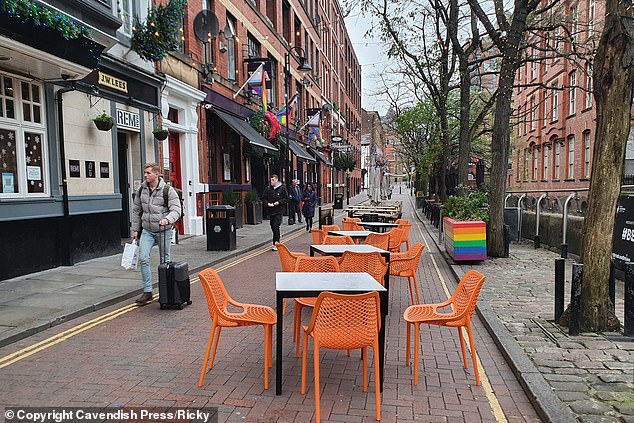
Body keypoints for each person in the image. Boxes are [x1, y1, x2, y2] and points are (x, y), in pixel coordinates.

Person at [131, 163, 182, 305]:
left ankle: (164, 291)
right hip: (147, 230)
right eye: (145, 173)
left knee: (164, 261)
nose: (146, 175)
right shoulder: (142, 190)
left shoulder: (167, 190)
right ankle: (147, 292)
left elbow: (176, 210)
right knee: (143, 258)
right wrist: (135, 230)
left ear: (156, 174)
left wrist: (167, 219)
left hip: (163, 231)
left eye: (148, 173)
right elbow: (136, 211)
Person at [262, 174, 288, 250]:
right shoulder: (268, 189)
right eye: (271, 180)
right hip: (271, 211)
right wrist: (267, 203)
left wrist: (279, 202)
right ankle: (278, 236)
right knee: (273, 226)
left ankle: (276, 243)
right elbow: (263, 198)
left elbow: (286, 199)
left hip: (279, 211)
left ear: (276, 180)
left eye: (273, 180)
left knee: (276, 226)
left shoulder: (282, 188)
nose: (271, 182)